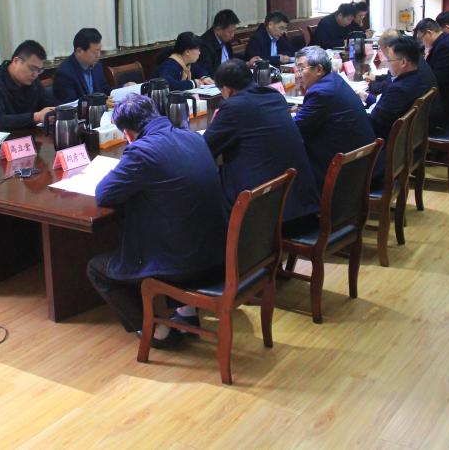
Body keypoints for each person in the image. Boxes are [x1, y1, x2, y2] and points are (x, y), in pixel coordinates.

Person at [88, 94, 227, 347]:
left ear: (127, 133)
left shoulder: (142, 151)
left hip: (185, 265)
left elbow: (104, 194)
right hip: (219, 253)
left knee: (98, 269)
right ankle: (186, 313)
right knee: (172, 218)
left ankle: (156, 332)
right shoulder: (192, 137)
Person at [203, 59, 319, 234]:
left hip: (268, 216)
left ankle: (223, 246)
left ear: (227, 90)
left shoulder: (235, 106)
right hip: (301, 204)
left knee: (207, 184)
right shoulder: (274, 95)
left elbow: (205, 149)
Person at [292, 46, 376, 192]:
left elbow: (295, 130)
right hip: (359, 162)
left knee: (286, 159)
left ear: (319, 69)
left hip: (342, 171)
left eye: (301, 69)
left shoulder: (321, 92)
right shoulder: (334, 80)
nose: (297, 75)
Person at [366, 37, 435, 182]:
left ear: (403, 62)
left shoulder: (399, 89)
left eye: (389, 60)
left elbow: (374, 124)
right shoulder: (419, 78)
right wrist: (368, 98)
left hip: (383, 155)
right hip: (406, 146)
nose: (387, 64)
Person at [0, 40, 56, 132]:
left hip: (25, 134)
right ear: (16, 61)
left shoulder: (32, 80)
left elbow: (48, 103)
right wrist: (36, 117)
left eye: (39, 70)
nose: (35, 74)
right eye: (32, 68)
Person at [413, 18, 449, 129]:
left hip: (448, 104)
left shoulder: (444, 47)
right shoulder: (446, 41)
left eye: (421, 38)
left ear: (429, 33)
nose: (422, 42)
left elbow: (437, 79)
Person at [52, 28, 112, 103]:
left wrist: (122, 89)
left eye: (100, 50)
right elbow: (71, 104)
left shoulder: (97, 65)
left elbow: (105, 90)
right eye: (95, 52)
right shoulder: (64, 73)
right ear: (79, 51)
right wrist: (100, 103)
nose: (98, 55)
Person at [198, 9, 240, 76]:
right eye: (229, 32)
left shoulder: (225, 40)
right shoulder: (205, 45)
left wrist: (246, 64)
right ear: (218, 29)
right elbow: (209, 73)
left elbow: (231, 59)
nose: (232, 35)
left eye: (234, 31)